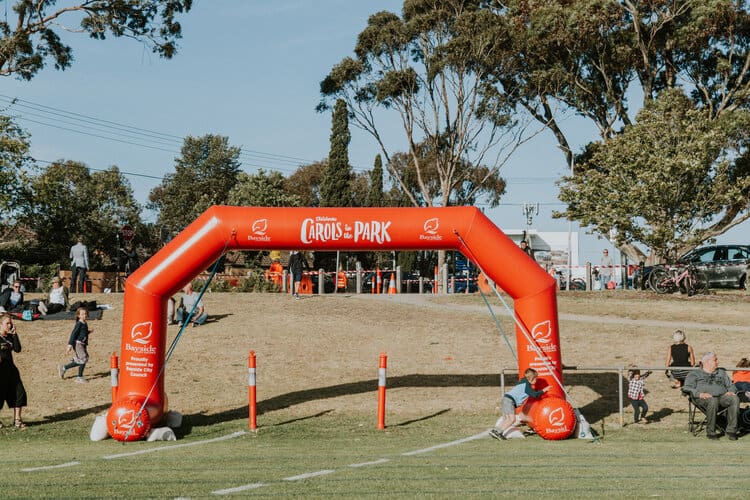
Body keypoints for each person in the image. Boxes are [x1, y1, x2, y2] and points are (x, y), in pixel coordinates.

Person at [683, 352, 740, 440]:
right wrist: (699, 394)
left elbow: (731, 385)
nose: (718, 362)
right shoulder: (694, 373)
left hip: (721, 398)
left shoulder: (721, 372)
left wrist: (731, 391)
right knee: (712, 400)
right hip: (702, 399)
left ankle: (732, 431)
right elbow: (686, 387)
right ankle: (711, 432)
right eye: (715, 360)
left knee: (734, 398)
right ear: (707, 362)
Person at [489, 367, 551, 440]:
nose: (536, 380)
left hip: (506, 399)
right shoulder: (526, 385)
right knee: (512, 419)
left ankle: (496, 431)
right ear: (531, 379)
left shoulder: (523, 381)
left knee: (508, 419)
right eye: (535, 378)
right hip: (509, 400)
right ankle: (498, 432)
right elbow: (534, 395)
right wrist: (544, 390)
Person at [0, 313, 27, 428]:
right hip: (0, 371)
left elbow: (17, 349)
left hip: (11, 370)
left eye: (11, 322)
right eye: (7, 323)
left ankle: (17, 420)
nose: (10, 325)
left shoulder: (10, 337)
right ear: (0, 324)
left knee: (19, 393)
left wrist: (15, 335)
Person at [58, 307, 92, 383]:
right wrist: (69, 345)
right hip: (78, 344)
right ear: (78, 315)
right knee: (83, 359)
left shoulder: (84, 323)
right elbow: (73, 334)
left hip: (82, 344)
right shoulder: (79, 324)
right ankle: (79, 377)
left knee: (83, 358)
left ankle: (64, 368)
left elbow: (82, 333)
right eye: (82, 314)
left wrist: (88, 332)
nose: (85, 315)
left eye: (86, 313)